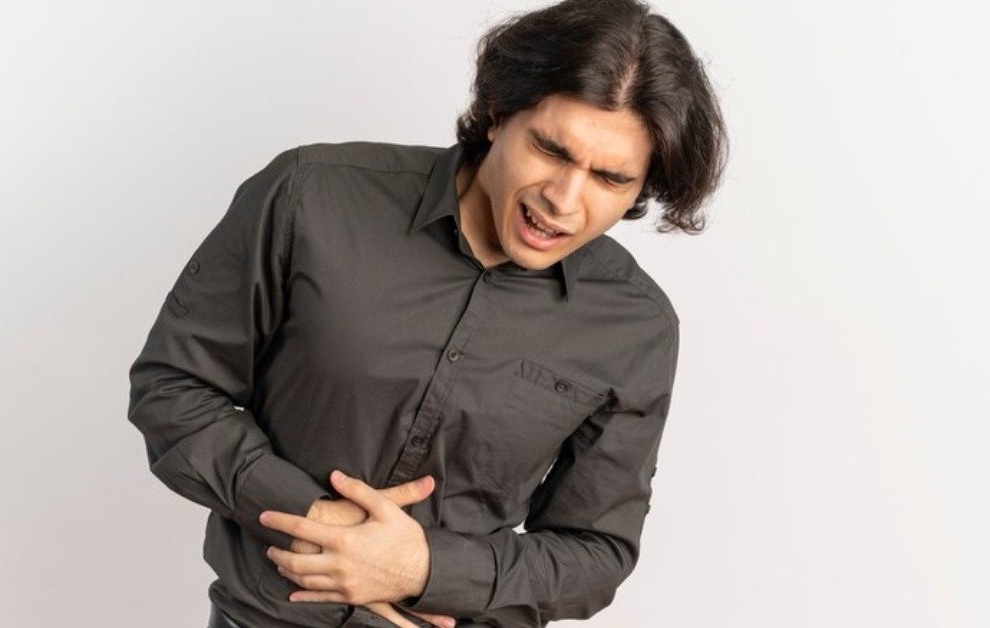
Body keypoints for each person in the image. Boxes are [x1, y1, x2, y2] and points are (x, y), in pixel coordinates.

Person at [126, 0, 728, 626]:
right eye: (551, 150)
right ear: (498, 113)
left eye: (610, 179)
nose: (564, 200)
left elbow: (596, 553)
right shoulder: (311, 196)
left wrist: (425, 570)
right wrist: (313, 518)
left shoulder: (636, 327)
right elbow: (172, 388)